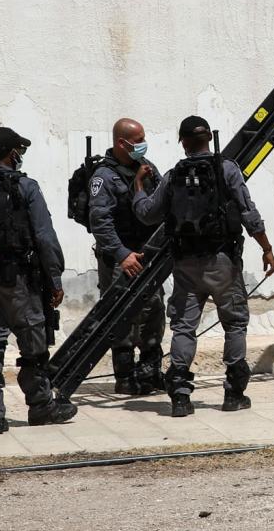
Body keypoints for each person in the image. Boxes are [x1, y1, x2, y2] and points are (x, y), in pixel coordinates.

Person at [133, 116, 274, 416]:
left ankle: (181, 397)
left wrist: (138, 187)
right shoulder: (227, 169)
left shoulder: (173, 176)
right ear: (209, 138)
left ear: (183, 141)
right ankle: (234, 393)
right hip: (223, 263)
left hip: (185, 264)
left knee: (184, 328)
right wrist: (266, 248)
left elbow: (147, 214)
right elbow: (250, 214)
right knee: (234, 324)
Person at [0, 126, 76, 435]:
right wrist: (56, 279)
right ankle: (40, 406)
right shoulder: (26, 188)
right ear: (12, 153)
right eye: (20, 150)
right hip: (20, 281)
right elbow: (45, 237)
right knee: (33, 346)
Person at [86, 117, 167, 395]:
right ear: (122, 143)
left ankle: (150, 370)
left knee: (153, 310)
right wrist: (122, 255)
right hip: (120, 257)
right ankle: (124, 376)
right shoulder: (104, 177)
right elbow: (100, 222)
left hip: (147, 253)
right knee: (120, 315)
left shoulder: (147, 168)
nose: (144, 144)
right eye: (139, 139)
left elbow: (159, 204)